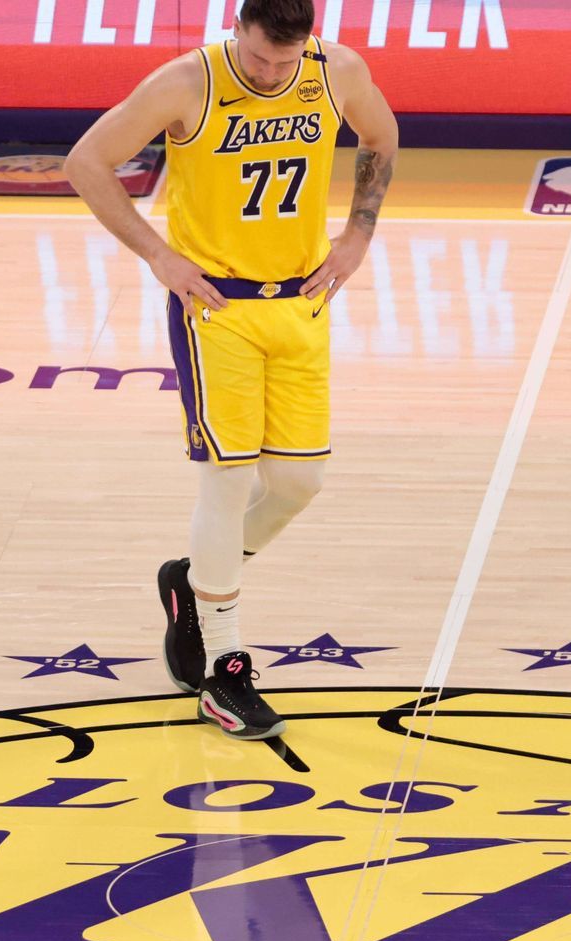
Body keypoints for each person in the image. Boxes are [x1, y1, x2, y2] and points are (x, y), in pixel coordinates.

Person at [65, 0, 398, 740]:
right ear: (237, 30)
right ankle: (225, 669)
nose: (270, 73)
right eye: (258, 59)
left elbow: (381, 133)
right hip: (216, 307)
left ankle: (193, 583)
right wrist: (158, 254)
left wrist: (358, 234)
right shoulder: (189, 81)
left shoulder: (337, 70)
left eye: (284, 63)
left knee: (298, 484)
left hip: (302, 304)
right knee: (227, 477)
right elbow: (85, 161)